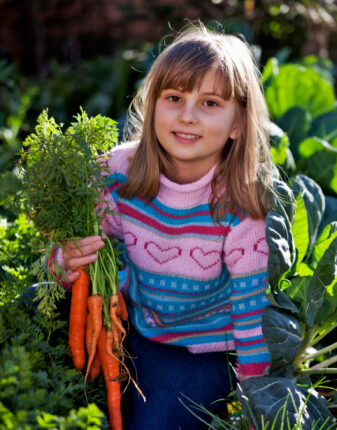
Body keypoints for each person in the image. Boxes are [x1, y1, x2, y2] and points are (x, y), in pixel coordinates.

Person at [61, 23, 273, 430]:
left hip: (204, 350)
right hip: (132, 327)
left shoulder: (242, 206)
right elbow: (83, 253)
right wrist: (67, 262)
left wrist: (254, 405)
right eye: (174, 97)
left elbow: (251, 320)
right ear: (153, 103)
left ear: (238, 124)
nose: (188, 116)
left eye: (210, 103)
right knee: (42, 312)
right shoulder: (120, 171)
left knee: (154, 424)